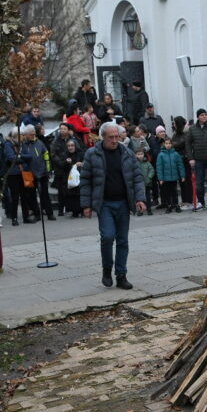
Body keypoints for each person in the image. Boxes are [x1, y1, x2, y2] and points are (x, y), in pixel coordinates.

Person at [79, 121, 147, 290]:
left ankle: (121, 274)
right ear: (103, 137)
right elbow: (86, 180)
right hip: (105, 204)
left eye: (117, 137)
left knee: (123, 240)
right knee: (108, 237)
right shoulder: (92, 154)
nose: (115, 140)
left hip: (124, 203)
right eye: (111, 137)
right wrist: (86, 204)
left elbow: (137, 177)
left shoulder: (127, 153)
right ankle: (107, 269)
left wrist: (140, 198)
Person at [50, 123, 77, 216]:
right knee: (61, 190)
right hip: (60, 168)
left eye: (64, 129)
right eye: (61, 129)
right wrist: (61, 162)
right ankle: (61, 209)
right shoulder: (56, 140)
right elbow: (53, 154)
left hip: (71, 167)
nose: (62, 130)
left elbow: (77, 150)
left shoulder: (73, 139)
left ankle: (72, 208)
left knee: (72, 188)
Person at [155, 136, 185, 213]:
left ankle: (176, 205)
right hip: (165, 178)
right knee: (167, 192)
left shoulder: (175, 154)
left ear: (172, 144)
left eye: (169, 143)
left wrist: (182, 175)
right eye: (166, 143)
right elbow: (159, 167)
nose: (168, 145)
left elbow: (180, 165)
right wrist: (160, 178)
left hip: (174, 177)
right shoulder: (161, 155)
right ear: (164, 144)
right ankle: (168, 205)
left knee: (174, 192)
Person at [61, 138, 84, 217]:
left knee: (79, 194)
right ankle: (74, 211)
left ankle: (81, 210)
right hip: (69, 178)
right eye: (68, 146)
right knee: (71, 195)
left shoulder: (80, 154)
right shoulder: (65, 155)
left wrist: (81, 163)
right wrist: (67, 163)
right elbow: (62, 166)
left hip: (79, 177)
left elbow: (86, 162)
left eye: (72, 145)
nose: (70, 147)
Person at [134, 149, 155, 216]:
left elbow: (151, 170)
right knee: (139, 198)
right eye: (138, 154)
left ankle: (149, 210)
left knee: (147, 197)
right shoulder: (134, 163)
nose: (140, 156)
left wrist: (149, 177)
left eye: (141, 154)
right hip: (138, 184)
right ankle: (140, 210)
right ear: (135, 155)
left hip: (146, 183)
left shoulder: (147, 162)